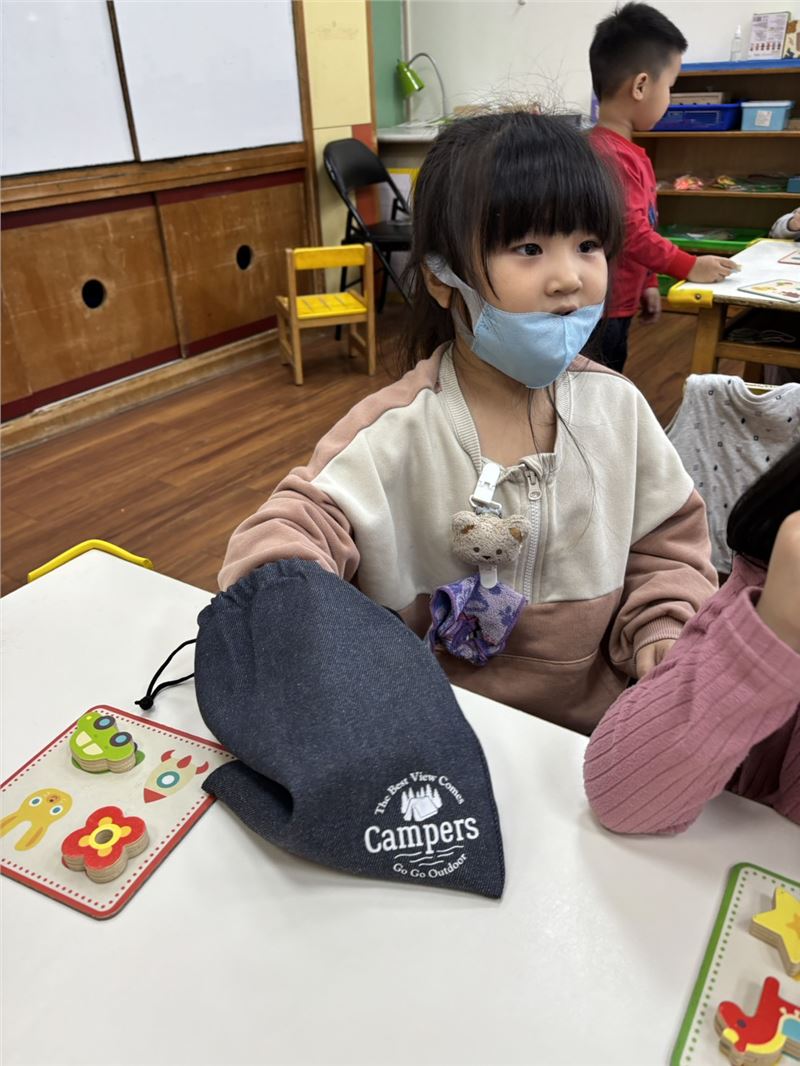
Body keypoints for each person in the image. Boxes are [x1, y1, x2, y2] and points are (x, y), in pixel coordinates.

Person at [219, 111, 717, 735]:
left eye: (588, 245)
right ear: (440, 278)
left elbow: (667, 549)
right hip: (429, 731)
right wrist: (283, 600)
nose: (569, 277)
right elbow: (295, 527)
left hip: (587, 735)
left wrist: (663, 625)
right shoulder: (395, 430)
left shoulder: (620, 411)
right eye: (529, 249)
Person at [584, 442, 800, 832]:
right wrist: (774, 630)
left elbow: (667, 547)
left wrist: (661, 620)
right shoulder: (770, 573)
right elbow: (623, 795)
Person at [589, 2, 738, 372]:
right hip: (599, 308)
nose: (669, 99)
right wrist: (688, 266)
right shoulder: (609, 156)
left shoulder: (627, 152)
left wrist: (649, 281)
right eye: (670, 87)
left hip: (619, 301)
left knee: (608, 375)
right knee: (599, 382)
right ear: (641, 85)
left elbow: (642, 224)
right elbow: (629, 231)